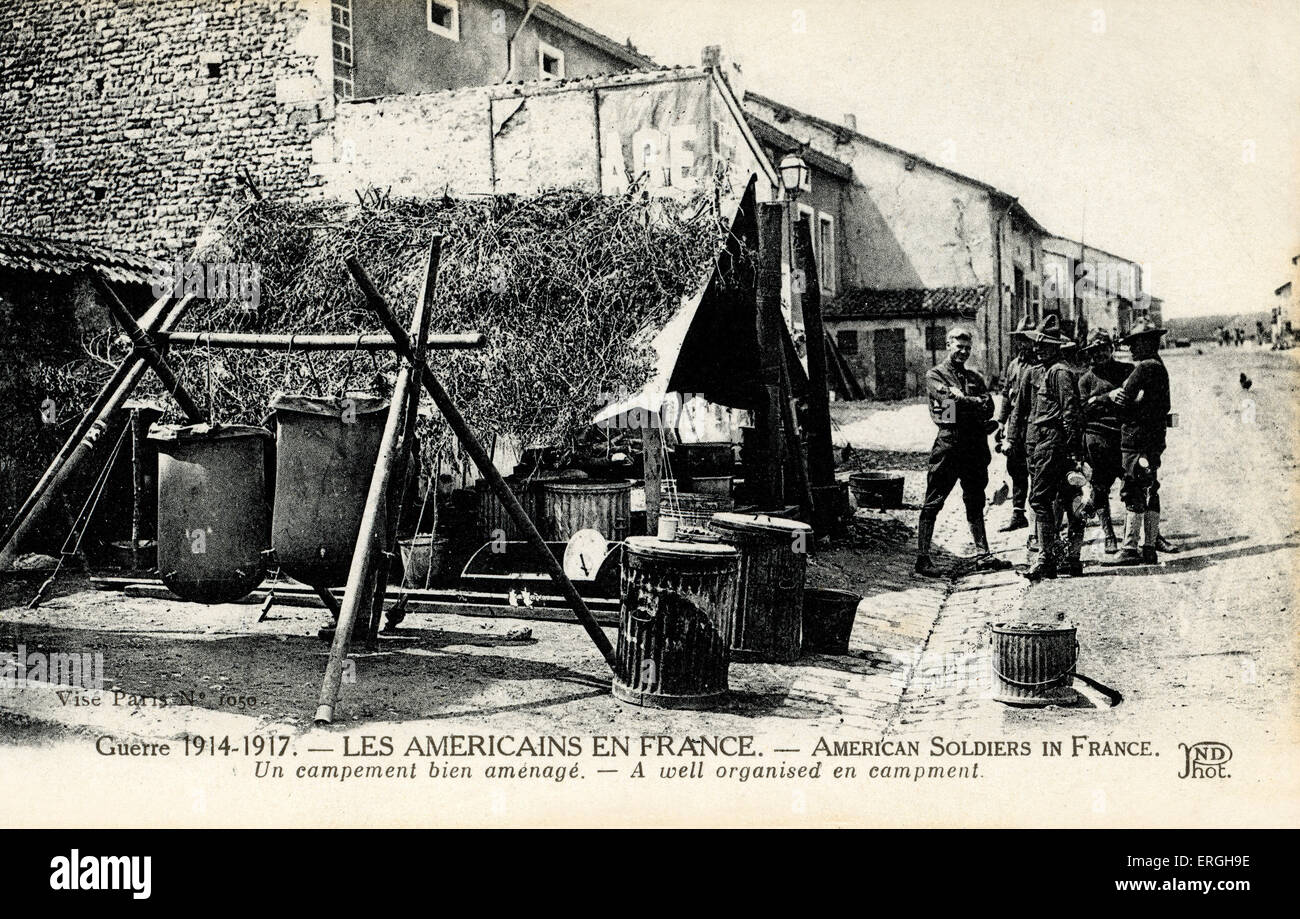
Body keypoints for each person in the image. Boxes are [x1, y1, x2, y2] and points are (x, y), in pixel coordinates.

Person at [914, 329, 1012, 576]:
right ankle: (923, 559)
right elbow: (948, 405)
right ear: (948, 345)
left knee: (975, 499)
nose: (963, 351)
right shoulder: (935, 375)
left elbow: (989, 407)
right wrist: (972, 402)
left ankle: (983, 554)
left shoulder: (974, 377)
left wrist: (965, 400)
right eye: (958, 346)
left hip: (974, 446)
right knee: (934, 499)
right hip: (949, 445)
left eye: (967, 348)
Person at [1007, 315, 1086, 580]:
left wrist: (1075, 450)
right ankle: (1065, 559)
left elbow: (1071, 412)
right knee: (1057, 497)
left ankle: (1047, 559)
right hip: (1036, 444)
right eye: (1037, 344)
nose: (1038, 348)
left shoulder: (1060, 372)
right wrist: (1011, 438)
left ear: (1056, 347)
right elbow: (1019, 410)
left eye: (1045, 344)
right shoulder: (1033, 372)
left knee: (1042, 499)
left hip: (1053, 444)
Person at [1106, 321, 1171, 564]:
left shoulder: (1144, 368)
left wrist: (1110, 398)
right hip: (1153, 439)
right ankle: (1150, 547)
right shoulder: (1159, 366)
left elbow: (1121, 400)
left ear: (1148, 342)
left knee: (1133, 488)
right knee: (1150, 487)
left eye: (1135, 343)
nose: (1131, 348)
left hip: (1136, 439)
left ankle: (1130, 549)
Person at [1077, 330, 1132, 553]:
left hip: (1125, 438)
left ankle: (1146, 535)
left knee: (1135, 484)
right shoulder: (1086, 380)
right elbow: (1081, 409)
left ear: (1111, 348)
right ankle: (1109, 535)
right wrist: (1104, 398)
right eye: (1094, 351)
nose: (1099, 354)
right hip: (1098, 441)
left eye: (1103, 349)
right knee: (1100, 488)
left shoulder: (1127, 371)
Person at [994, 317, 1036, 532]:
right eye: (1020, 339)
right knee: (1016, 469)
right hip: (1015, 426)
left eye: (1027, 339)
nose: (1023, 344)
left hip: (1034, 424)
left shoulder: (1039, 364)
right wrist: (1001, 421)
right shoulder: (1013, 365)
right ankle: (1018, 513)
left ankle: (1040, 518)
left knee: (1036, 468)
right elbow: (1005, 394)